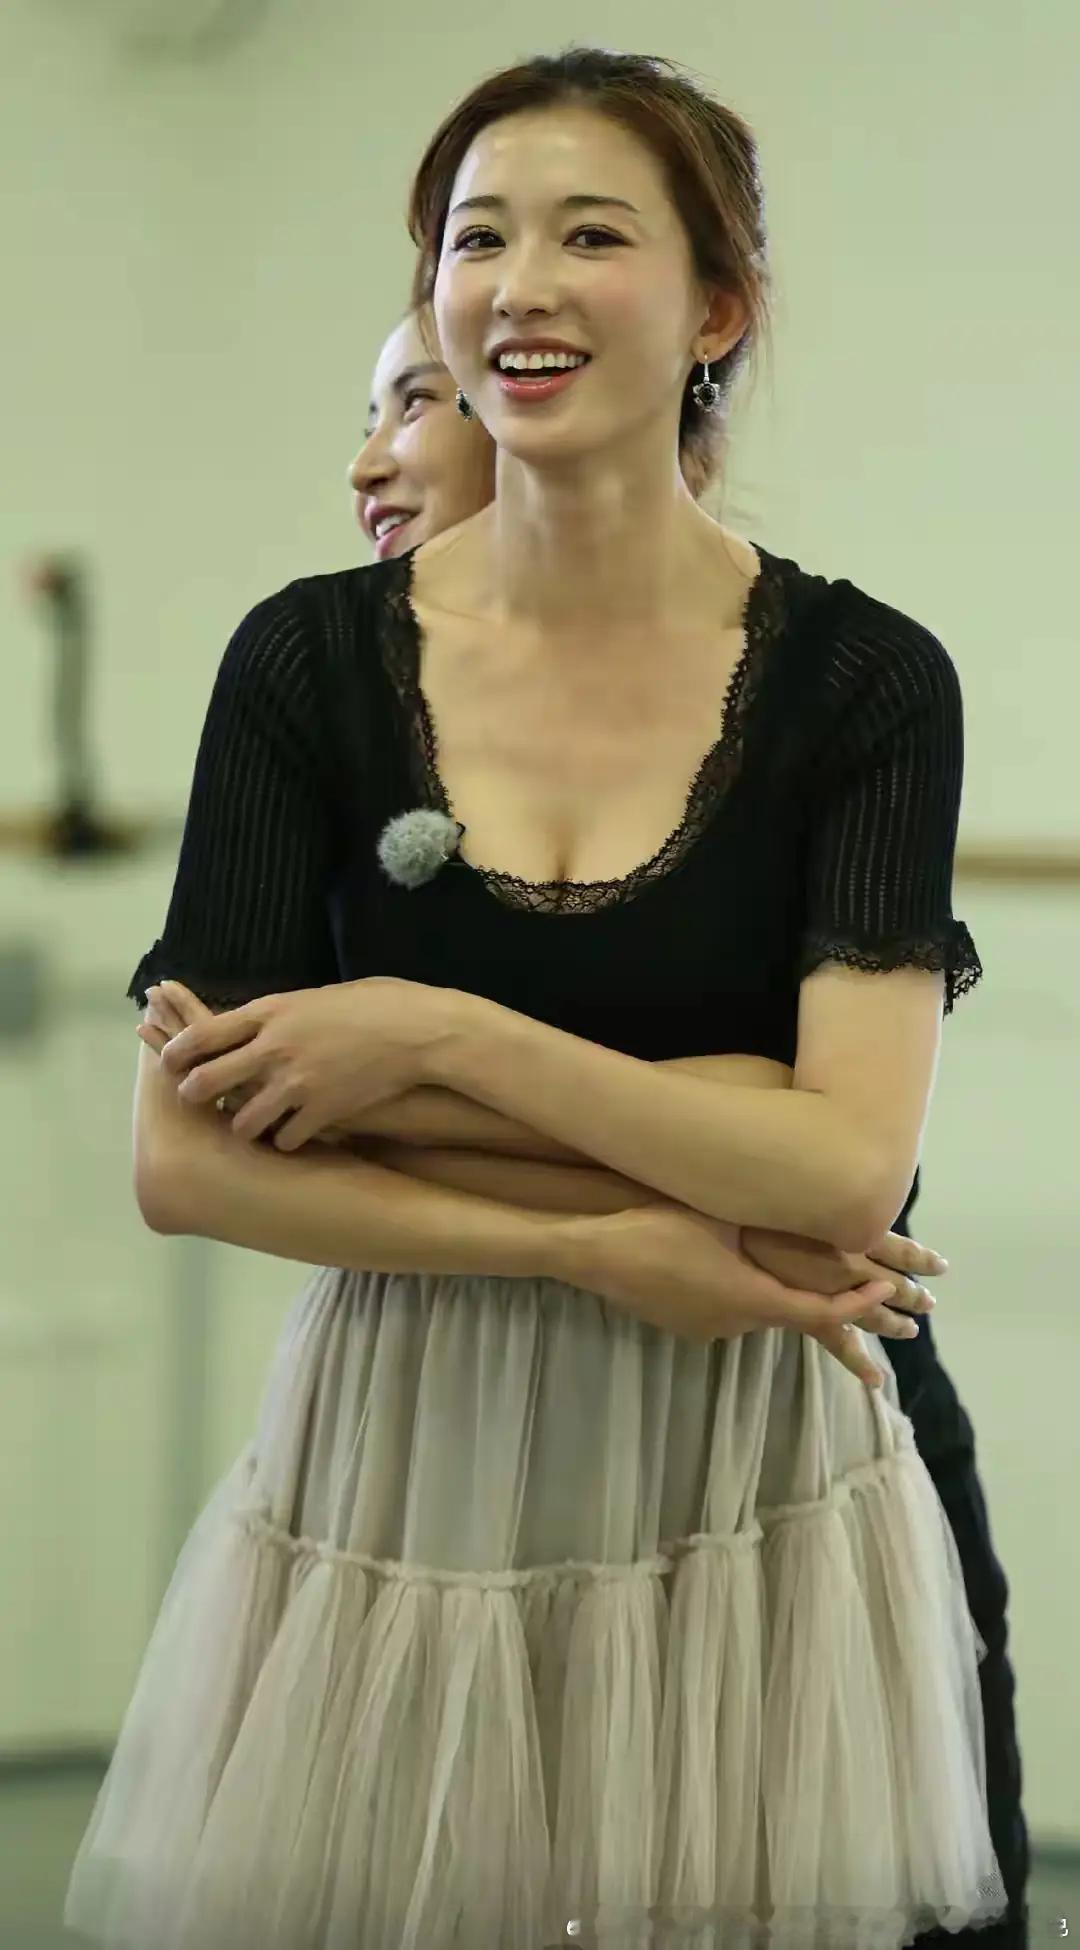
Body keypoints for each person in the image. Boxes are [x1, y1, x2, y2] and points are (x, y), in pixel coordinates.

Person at [66, 47, 1014, 1950]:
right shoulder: (305, 660)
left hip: (749, 1455)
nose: (520, 286)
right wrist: (612, 1226)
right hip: (405, 1441)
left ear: (717, 309)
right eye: (477, 239)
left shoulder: (867, 682)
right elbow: (189, 1157)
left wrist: (424, 1040)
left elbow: (843, 1171)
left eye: (592, 236)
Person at [346, 302, 1030, 1945]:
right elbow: (219, 1133)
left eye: (416, 403)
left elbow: (837, 1173)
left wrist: (422, 1056)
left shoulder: (829, 693)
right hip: (451, 1445)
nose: (374, 459)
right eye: (376, 408)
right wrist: (641, 1189)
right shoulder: (329, 697)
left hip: (799, 1417)